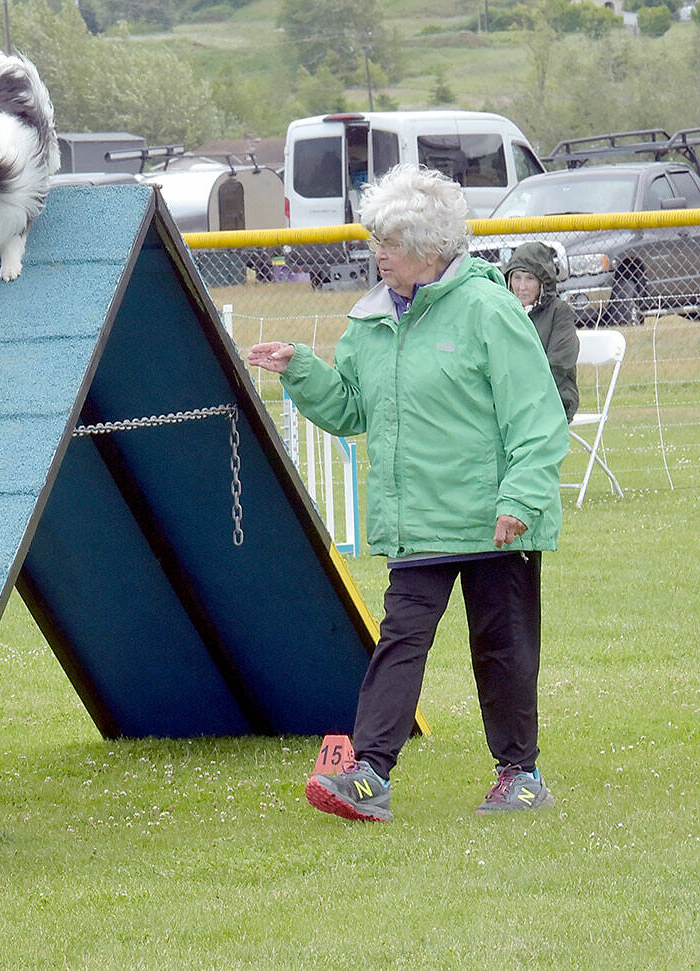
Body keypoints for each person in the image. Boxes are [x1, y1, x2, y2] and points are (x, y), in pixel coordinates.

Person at [247, 163, 569, 821]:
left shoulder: (489, 310)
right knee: (400, 640)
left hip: (494, 521)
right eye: (377, 241)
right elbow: (350, 410)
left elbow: (536, 415)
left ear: (428, 248)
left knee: (502, 649)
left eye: (389, 243)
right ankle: (368, 775)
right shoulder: (369, 322)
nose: (378, 254)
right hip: (418, 520)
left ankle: (520, 772)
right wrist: (302, 370)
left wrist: (520, 498)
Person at [503, 241, 580, 422]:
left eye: (529, 278)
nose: (521, 287)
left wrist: (521, 392)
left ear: (542, 282)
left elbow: (558, 365)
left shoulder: (559, 312)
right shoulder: (503, 311)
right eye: (517, 278)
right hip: (508, 399)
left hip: (553, 395)